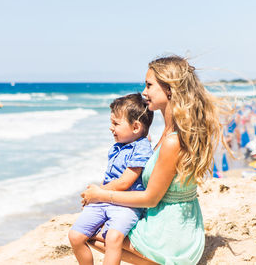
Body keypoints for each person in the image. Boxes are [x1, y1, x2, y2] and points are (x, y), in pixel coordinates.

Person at [81, 55, 230, 265]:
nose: (144, 92)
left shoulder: (172, 140)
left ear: (169, 89)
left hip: (169, 232)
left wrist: (102, 195)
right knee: (92, 231)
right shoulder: (169, 132)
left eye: (149, 85)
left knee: (87, 233)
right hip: (171, 222)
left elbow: (150, 198)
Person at [69, 93, 154, 265]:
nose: (111, 127)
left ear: (136, 127)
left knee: (113, 238)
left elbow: (125, 182)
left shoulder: (142, 148)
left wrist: (97, 193)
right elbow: (110, 177)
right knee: (75, 236)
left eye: (116, 123)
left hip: (126, 204)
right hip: (104, 200)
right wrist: (94, 197)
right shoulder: (118, 146)